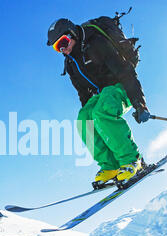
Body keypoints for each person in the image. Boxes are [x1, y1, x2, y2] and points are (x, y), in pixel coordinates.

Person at [47, 18, 151, 187]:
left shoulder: (95, 43)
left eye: (63, 42)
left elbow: (124, 70)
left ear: (72, 33)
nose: (63, 49)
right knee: (84, 119)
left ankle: (133, 160)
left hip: (122, 84)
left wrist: (139, 103)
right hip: (103, 94)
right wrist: (90, 119)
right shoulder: (71, 62)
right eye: (57, 47)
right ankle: (111, 166)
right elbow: (84, 94)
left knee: (101, 112)